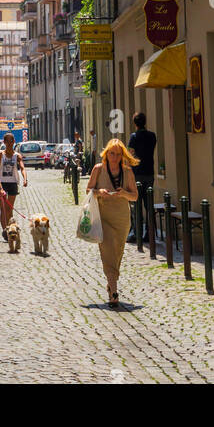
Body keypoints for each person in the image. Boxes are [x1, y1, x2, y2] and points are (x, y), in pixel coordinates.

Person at [87, 138, 139, 306]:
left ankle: (111, 283)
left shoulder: (127, 172)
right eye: (111, 153)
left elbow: (135, 196)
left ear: (122, 155)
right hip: (103, 217)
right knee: (108, 250)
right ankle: (114, 292)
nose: (114, 157)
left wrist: (123, 193)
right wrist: (98, 192)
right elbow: (88, 190)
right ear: (106, 154)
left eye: (117, 154)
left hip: (122, 218)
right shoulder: (98, 169)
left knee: (117, 253)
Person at [127, 111, 157, 243]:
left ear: (135, 123)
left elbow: (130, 154)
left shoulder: (134, 137)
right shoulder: (152, 136)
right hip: (149, 172)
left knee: (136, 203)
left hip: (137, 173)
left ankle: (137, 233)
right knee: (149, 204)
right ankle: (150, 234)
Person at [0, 132, 28, 238]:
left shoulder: (17, 155)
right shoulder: (0, 154)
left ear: (14, 142)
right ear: (4, 142)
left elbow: (22, 168)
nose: (9, 143)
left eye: (11, 141)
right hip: (2, 183)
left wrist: (25, 179)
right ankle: (5, 230)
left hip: (13, 183)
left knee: (9, 209)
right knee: (3, 209)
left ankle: (10, 229)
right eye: (7, 141)